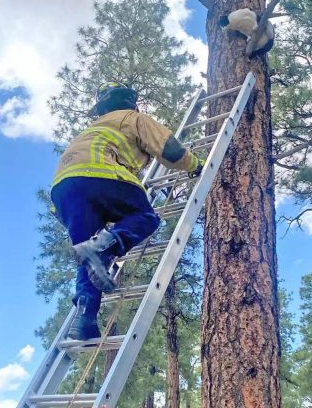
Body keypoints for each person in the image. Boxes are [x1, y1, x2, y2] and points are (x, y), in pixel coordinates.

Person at [50, 82, 203, 340]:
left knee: (89, 260)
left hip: (63, 192)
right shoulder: (132, 118)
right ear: (132, 102)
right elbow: (170, 150)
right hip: (98, 175)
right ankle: (103, 247)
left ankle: (85, 318)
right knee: (144, 218)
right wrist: (195, 165)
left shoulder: (91, 130)